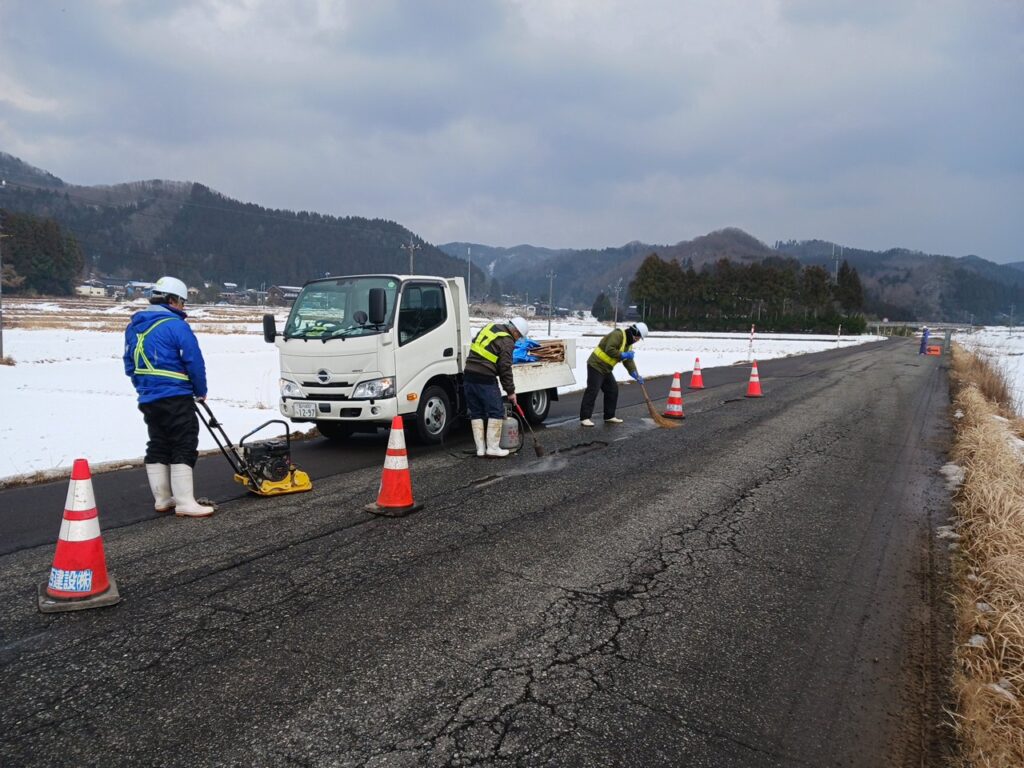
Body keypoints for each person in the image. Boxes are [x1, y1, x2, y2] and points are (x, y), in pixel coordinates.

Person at [123, 276, 214, 517]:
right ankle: (185, 502)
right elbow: (193, 360)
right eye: (182, 301)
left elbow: (128, 363)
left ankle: (163, 499)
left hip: (148, 397)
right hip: (175, 394)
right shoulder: (176, 326)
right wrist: (200, 390)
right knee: (183, 442)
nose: (183, 307)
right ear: (173, 300)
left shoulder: (134, 326)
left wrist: (143, 386)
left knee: (158, 442)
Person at [464, 316, 529, 457]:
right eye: (519, 337)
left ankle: (480, 449)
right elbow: (505, 368)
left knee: (476, 412)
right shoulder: (507, 341)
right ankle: (493, 448)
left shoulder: (491, 327)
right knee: (496, 411)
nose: (517, 340)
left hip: (468, 375)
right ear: (516, 332)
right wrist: (511, 392)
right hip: (485, 378)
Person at [580, 322, 648, 426]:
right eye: (638, 338)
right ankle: (585, 417)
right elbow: (609, 349)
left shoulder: (628, 344)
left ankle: (609, 416)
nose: (638, 340)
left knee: (612, 389)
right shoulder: (618, 334)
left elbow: (628, 361)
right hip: (596, 365)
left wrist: (634, 373)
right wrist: (623, 354)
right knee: (593, 390)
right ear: (635, 333)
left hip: (606, 368)